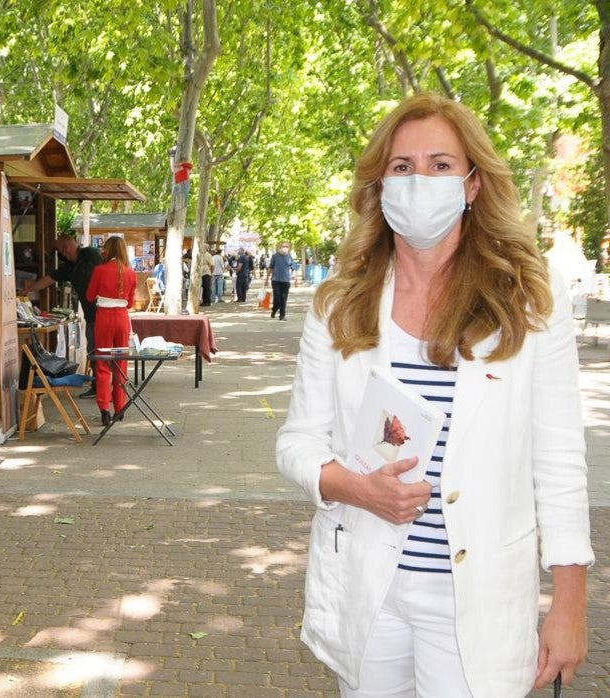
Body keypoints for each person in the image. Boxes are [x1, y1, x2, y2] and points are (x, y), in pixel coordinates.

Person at [275, 94, 592, 697]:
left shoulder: (527, 293)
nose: (420, 180)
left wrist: (568, 605)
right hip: (371, 589)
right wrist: (353, 487)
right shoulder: (341, 300)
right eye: (402, 167)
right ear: (379, 184)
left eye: (441, 165)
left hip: (477, 595)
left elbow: (559, 461)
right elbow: (297, 442)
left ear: (473, 183)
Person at [20, 235, 104, 398]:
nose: (64, 252)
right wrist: (27, 290)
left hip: (105, 311)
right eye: (61, 250)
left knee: (103, 351)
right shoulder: (67, 267)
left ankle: (108, 386)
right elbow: (48, 280)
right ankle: (98, 386)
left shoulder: (91, 254)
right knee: (93, 350)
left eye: (65, 247)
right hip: (91, 315)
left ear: (71, 244)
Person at [84, 236, 136, 427]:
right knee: (120, 363)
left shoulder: (99, 270)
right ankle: (119, 407)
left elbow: (89, 296)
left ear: (108, 250)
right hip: (122, 319)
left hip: (104, 319)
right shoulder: (130, 273)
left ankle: (104, 408)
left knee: (103, 363)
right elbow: (130, 303)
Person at [267, 242, 298, 321]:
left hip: (286, 281)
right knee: (277, 298)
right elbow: (270, 267)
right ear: (280, 247)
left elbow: (293, 267)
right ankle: (274, 310)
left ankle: (282, 315)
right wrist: (266, 279)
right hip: (276, 280)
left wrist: (296, 279)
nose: (285, 247)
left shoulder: (289, 256)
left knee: (283, 298)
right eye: (284, 246)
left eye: (287, 246)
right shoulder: (275, 256)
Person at [197, 245, 213, 309]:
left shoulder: (208, 255)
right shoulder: (200, 255)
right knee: (203, 288)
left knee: (207, 288)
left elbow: (212, 265)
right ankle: (204, 301)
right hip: (200, 274)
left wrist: (211, 272)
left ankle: (207, 301)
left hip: (206, 273)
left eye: (203, 247)